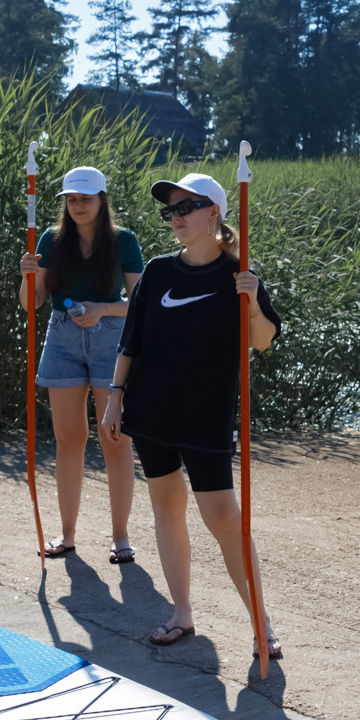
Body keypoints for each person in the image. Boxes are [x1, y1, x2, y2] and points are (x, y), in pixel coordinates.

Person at [100, 173, 282, 662]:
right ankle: (182, 613)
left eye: (188, 206)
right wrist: (115, 397)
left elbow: (262, 340)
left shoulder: (239, 273)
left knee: (223, 518)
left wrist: (252, 298)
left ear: (214, 213)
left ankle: (261, 625)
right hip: (151, 409)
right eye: (171, 210)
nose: (177, 216)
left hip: (206, 415)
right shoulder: (158, 272)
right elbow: (131, 340)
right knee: (166, 505)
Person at [20, 166, 146, 563]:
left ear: (102, 200)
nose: (77, 206)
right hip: (62, 337)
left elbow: (139, 306)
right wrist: (26, 277)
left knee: (115, 440)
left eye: (85, 199)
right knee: (69, 439)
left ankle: (120, 537)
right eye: (71, 199)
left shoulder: (123, 241)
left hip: (112, 338)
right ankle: (67, 534)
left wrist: (103, 308)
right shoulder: (51, 241)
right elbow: (31, 303)